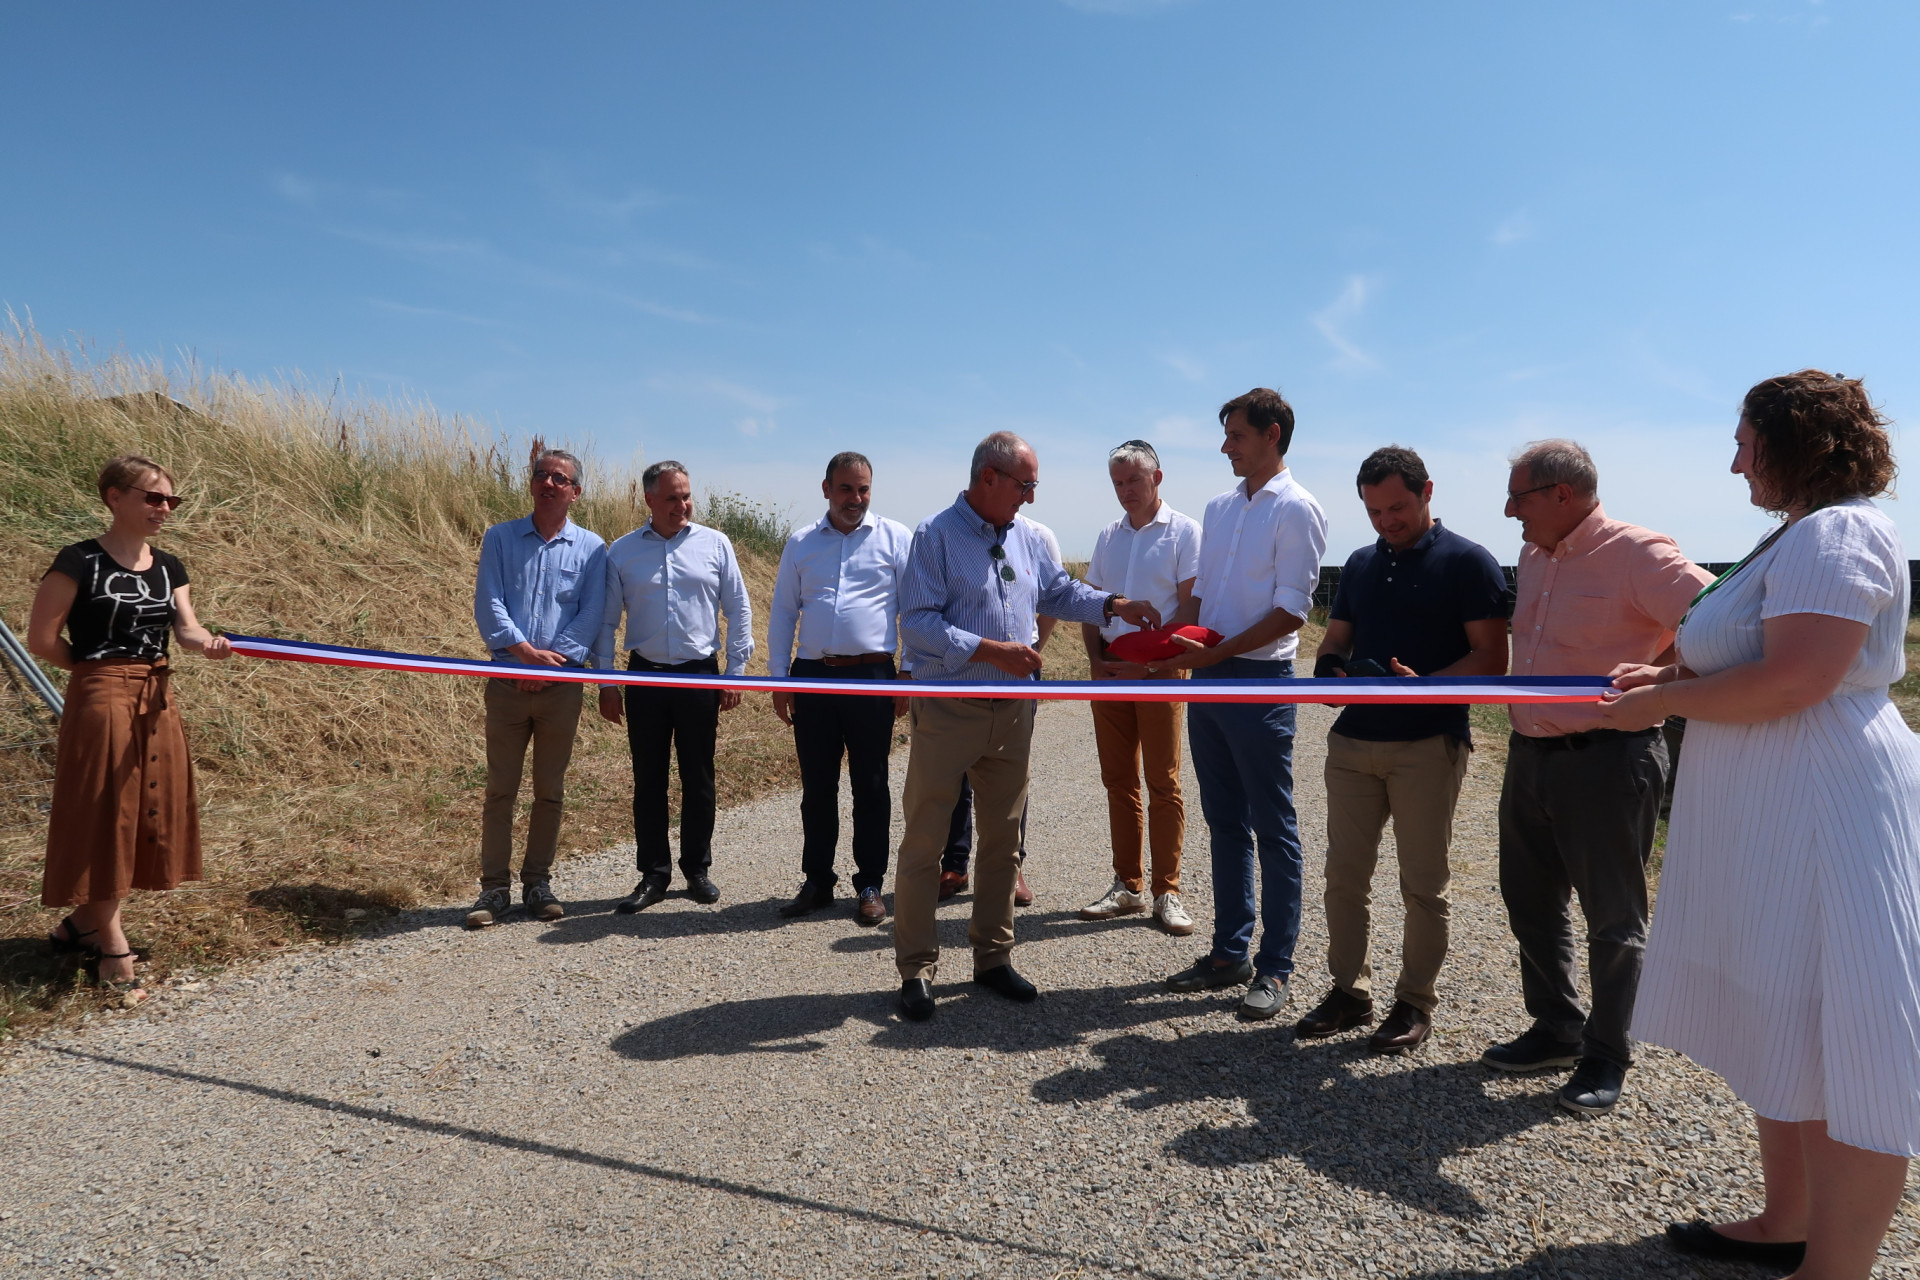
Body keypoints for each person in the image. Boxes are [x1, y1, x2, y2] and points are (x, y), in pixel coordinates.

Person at [1602, 371, 1919, 1278]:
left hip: (1825, 809)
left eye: (1745, 439)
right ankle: (1789, 1224)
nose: (1734, 458)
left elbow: (1797, 679)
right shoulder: (1795, 536)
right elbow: (1751, 657)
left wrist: (1661, 708)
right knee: (1782, 1013)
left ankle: (1837, 1267)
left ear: (1795, 442)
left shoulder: (1842, 530)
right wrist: (1665, 684)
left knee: (1847, 1036)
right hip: (1781, 811)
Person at [892, 431, 1159, 1021]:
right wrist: (993, 651)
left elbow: (1059, 591)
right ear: (988, 477)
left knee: (1003, 839)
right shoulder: (934, 536)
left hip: (1013, 711)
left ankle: (992, 957)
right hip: (950, 708)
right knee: (926, 840)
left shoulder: (1028, 538)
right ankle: (915, 967)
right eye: (1025, 485)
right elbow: (917, 625)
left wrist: (1113, 605)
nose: (1031, 498)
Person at [1487, 439, 1712, 1114]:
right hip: (1530, 755)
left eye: (1518, 496)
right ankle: (1557, 1026)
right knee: (1528, 900)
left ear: (1562, 494)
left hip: (1611, 761)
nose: (1507, 510)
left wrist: (1664, 676)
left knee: (1613, 917)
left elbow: (1716, 624)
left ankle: (1607, 1054)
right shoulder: (1534, 554)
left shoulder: (1638, 552)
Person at [1296, 447, 1508, 1052]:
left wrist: (1428, 687)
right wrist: (1333, 673)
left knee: (1423, 884)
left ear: (1428, 492)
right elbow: (1333, 643)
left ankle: (1415, 1002)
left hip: (1428, 743)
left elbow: (1494, 660)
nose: (1386, 520)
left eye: (1397, 506)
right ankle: (1348, 992)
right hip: (1354, 742)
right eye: (1373, 510)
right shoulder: (1359, 565)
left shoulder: (1471, 562)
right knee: (1344, 877)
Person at [1148, 388, 1327, 1022]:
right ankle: (1230, 953)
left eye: (1237, 436)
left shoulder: (1299, 509)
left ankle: (1277, 966)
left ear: (1272, 434)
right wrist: (1171, 646)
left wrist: (1211, 659)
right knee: (1224, 821)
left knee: (1274, 829)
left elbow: (1291, 611)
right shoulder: (1219, 509)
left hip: (1258, 684)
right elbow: (1202, 602)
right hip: (1211, 683)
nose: (1226, 447)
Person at [27, 455, 231, 990]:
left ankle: (83, 925)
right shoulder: (78, 561)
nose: (164, 508)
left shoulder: (169, 566)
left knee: (148, 810)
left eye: (170, 500)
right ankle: (111, 946)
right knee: (105, 812)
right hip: (101, 694)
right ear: (115, 497)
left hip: (156, 693)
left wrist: (206, 643)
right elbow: (42, 641)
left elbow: (185, 629)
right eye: (152, 497)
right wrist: (98, 673)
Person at [596, 461, 751, 912]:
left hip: (699, 674)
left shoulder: (715, 544)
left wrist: (736, 672)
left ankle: (696, 868)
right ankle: (654, 874)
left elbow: (738, 608)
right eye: (671, 498)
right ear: (648, 499)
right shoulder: (621, 553)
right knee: (649, 779)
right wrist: (607, 682)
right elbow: (606, 622)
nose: (681, 506)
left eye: (686, 496)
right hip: (644, 676)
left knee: (699, 776)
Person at [767, 451, 912, 926]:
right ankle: (817, 880)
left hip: (872, 676)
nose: (856, 498)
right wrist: (779, 679)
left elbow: (913, 612)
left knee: (871, 784)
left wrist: (906, 675)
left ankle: (870, 883)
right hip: (812, 676)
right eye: (847, 488)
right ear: (826, 488)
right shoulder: (801, 542)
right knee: (817, 785)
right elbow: (785, 612)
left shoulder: (895, 538)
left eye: (864, 488)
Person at [465, 450, 607, 929]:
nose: (549, 483)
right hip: (507, 681)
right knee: (500, 789)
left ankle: (537, 883)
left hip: (561, 688)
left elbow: (592, 612)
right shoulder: (500, 538)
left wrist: (555, 663)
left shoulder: (592, 548)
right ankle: (494, 888)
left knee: (550, 790)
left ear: (575, 491)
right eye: (541, 475)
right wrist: (526, 654)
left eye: (560, 478)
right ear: (532, 484)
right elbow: (489, 603)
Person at [1078, 439, 1200, 936]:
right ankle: (1127, 884)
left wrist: (1151, 667)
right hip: (1109, 670)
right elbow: (1091, 600)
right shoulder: (1108, 536)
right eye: (1118, 482)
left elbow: (1192, 612)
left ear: (1158, 478)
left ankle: (1166, 890)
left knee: (1163, 781)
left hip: (1160, 672)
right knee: (1117, 780)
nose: (1126, 490)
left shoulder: (1185, 532)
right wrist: (1093, 659)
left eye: (1134, 480)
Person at [936, 512, 1057, 907]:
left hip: (1018, 679)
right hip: (963, 678)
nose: (1030, 495)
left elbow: (1055, 598)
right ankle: (954, 863)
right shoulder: (949, 535)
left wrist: (1030, 652)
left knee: (1009, 775)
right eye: (1023, 484)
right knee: (958, 774)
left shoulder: (1037, 536)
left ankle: (1012, 865)